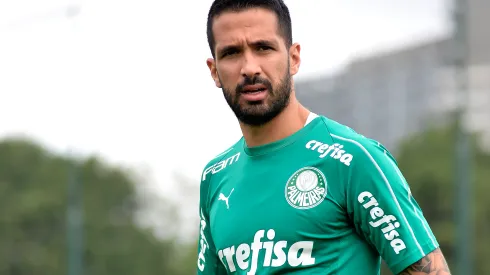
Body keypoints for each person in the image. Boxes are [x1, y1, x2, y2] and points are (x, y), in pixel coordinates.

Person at [196, 0, 451, 274]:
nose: (249, 68)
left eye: (263, 48)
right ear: (214, 70)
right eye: (232, 53)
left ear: (293, 58)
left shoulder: (353, 160)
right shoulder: (215, 177)